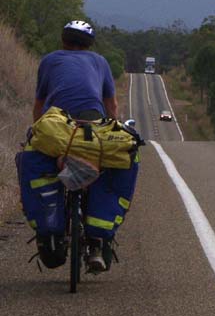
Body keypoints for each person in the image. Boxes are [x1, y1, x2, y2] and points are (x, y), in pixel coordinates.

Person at [17, 20, 139, 274]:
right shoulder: (100, 62)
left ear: (63, 41)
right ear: (90, 45)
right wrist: (113, 127)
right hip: (92, 124)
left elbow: (40, 104)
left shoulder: (50, 60)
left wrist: (37, 131)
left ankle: (52, 234)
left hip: (58, 127)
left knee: (35, 159)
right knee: (110, 164)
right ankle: (97, 240)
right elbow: (112, 107)